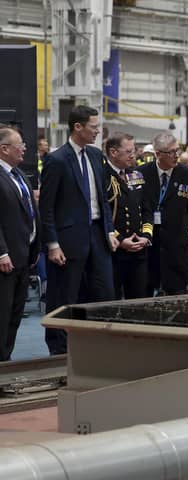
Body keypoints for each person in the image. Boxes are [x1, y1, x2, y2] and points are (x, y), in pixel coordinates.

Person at [39, 105, 118, 355]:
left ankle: (96, 347)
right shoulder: (57, 159)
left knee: (104, 292)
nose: (98, 131)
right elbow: (47, 206)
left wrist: (109, 231)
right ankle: (59, 351)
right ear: (78, 127)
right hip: (68, 239)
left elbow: (103, 200)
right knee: (64, 296)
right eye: (94, 127)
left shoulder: (96, 156)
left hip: (97, 235)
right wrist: (52, 244)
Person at [138, 131, 188, 295]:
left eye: (177, 150)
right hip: (148, 245)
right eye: (172, 152)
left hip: (176, 245)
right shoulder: (140, 174)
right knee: (143, 292)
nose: (176, 155)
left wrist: (181, 228)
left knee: (177, 293)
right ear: (158, 154)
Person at [0, 126, 40, 361]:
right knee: (3, 315)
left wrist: (36, 246)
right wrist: (1, 252)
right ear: (4, 149)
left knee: (15, 314)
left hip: (24, 256)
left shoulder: (19, 174)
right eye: (20, 146)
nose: (24, 149)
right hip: (6, 259)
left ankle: (6, 361)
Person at [104, 132, 153, 299]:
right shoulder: (103, 176)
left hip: (139, 249)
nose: (133, 155)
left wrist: (146, 236)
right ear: (113, 152)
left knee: (139, 300)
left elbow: (147, 210)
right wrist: (120, 240)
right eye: (128, 151)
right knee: (113, 301)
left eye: (134, 151)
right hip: (115, 249)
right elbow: (104, 213)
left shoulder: (136, 175)